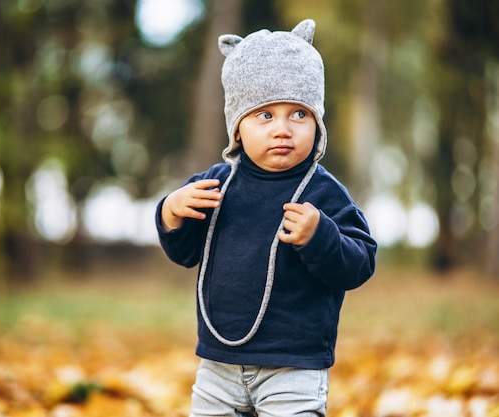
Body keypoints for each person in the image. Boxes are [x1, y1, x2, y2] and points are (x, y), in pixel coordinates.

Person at [155, 19, 377, 417]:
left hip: (295, 365)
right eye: (265, 115)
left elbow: (360, 262)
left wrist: (320, 236)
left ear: (317, 124)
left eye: (298, 114)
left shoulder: (322, 192)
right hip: (218, 364)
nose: (282, 130)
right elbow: (186, 253)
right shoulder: (216, 184)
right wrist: (171, 213)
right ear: (237, 127)